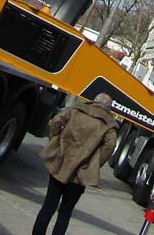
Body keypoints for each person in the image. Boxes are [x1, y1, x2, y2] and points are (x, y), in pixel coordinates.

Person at [32, 93, 119, 235]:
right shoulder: (109, 123)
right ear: (108, 107)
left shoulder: (77, 109)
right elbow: (110, 145)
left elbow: (56, 121)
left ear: (94, 100)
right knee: (65, 212)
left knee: (48, 206)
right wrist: (95, 163)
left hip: (60, 164)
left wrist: (54, 140)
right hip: (80, 174)